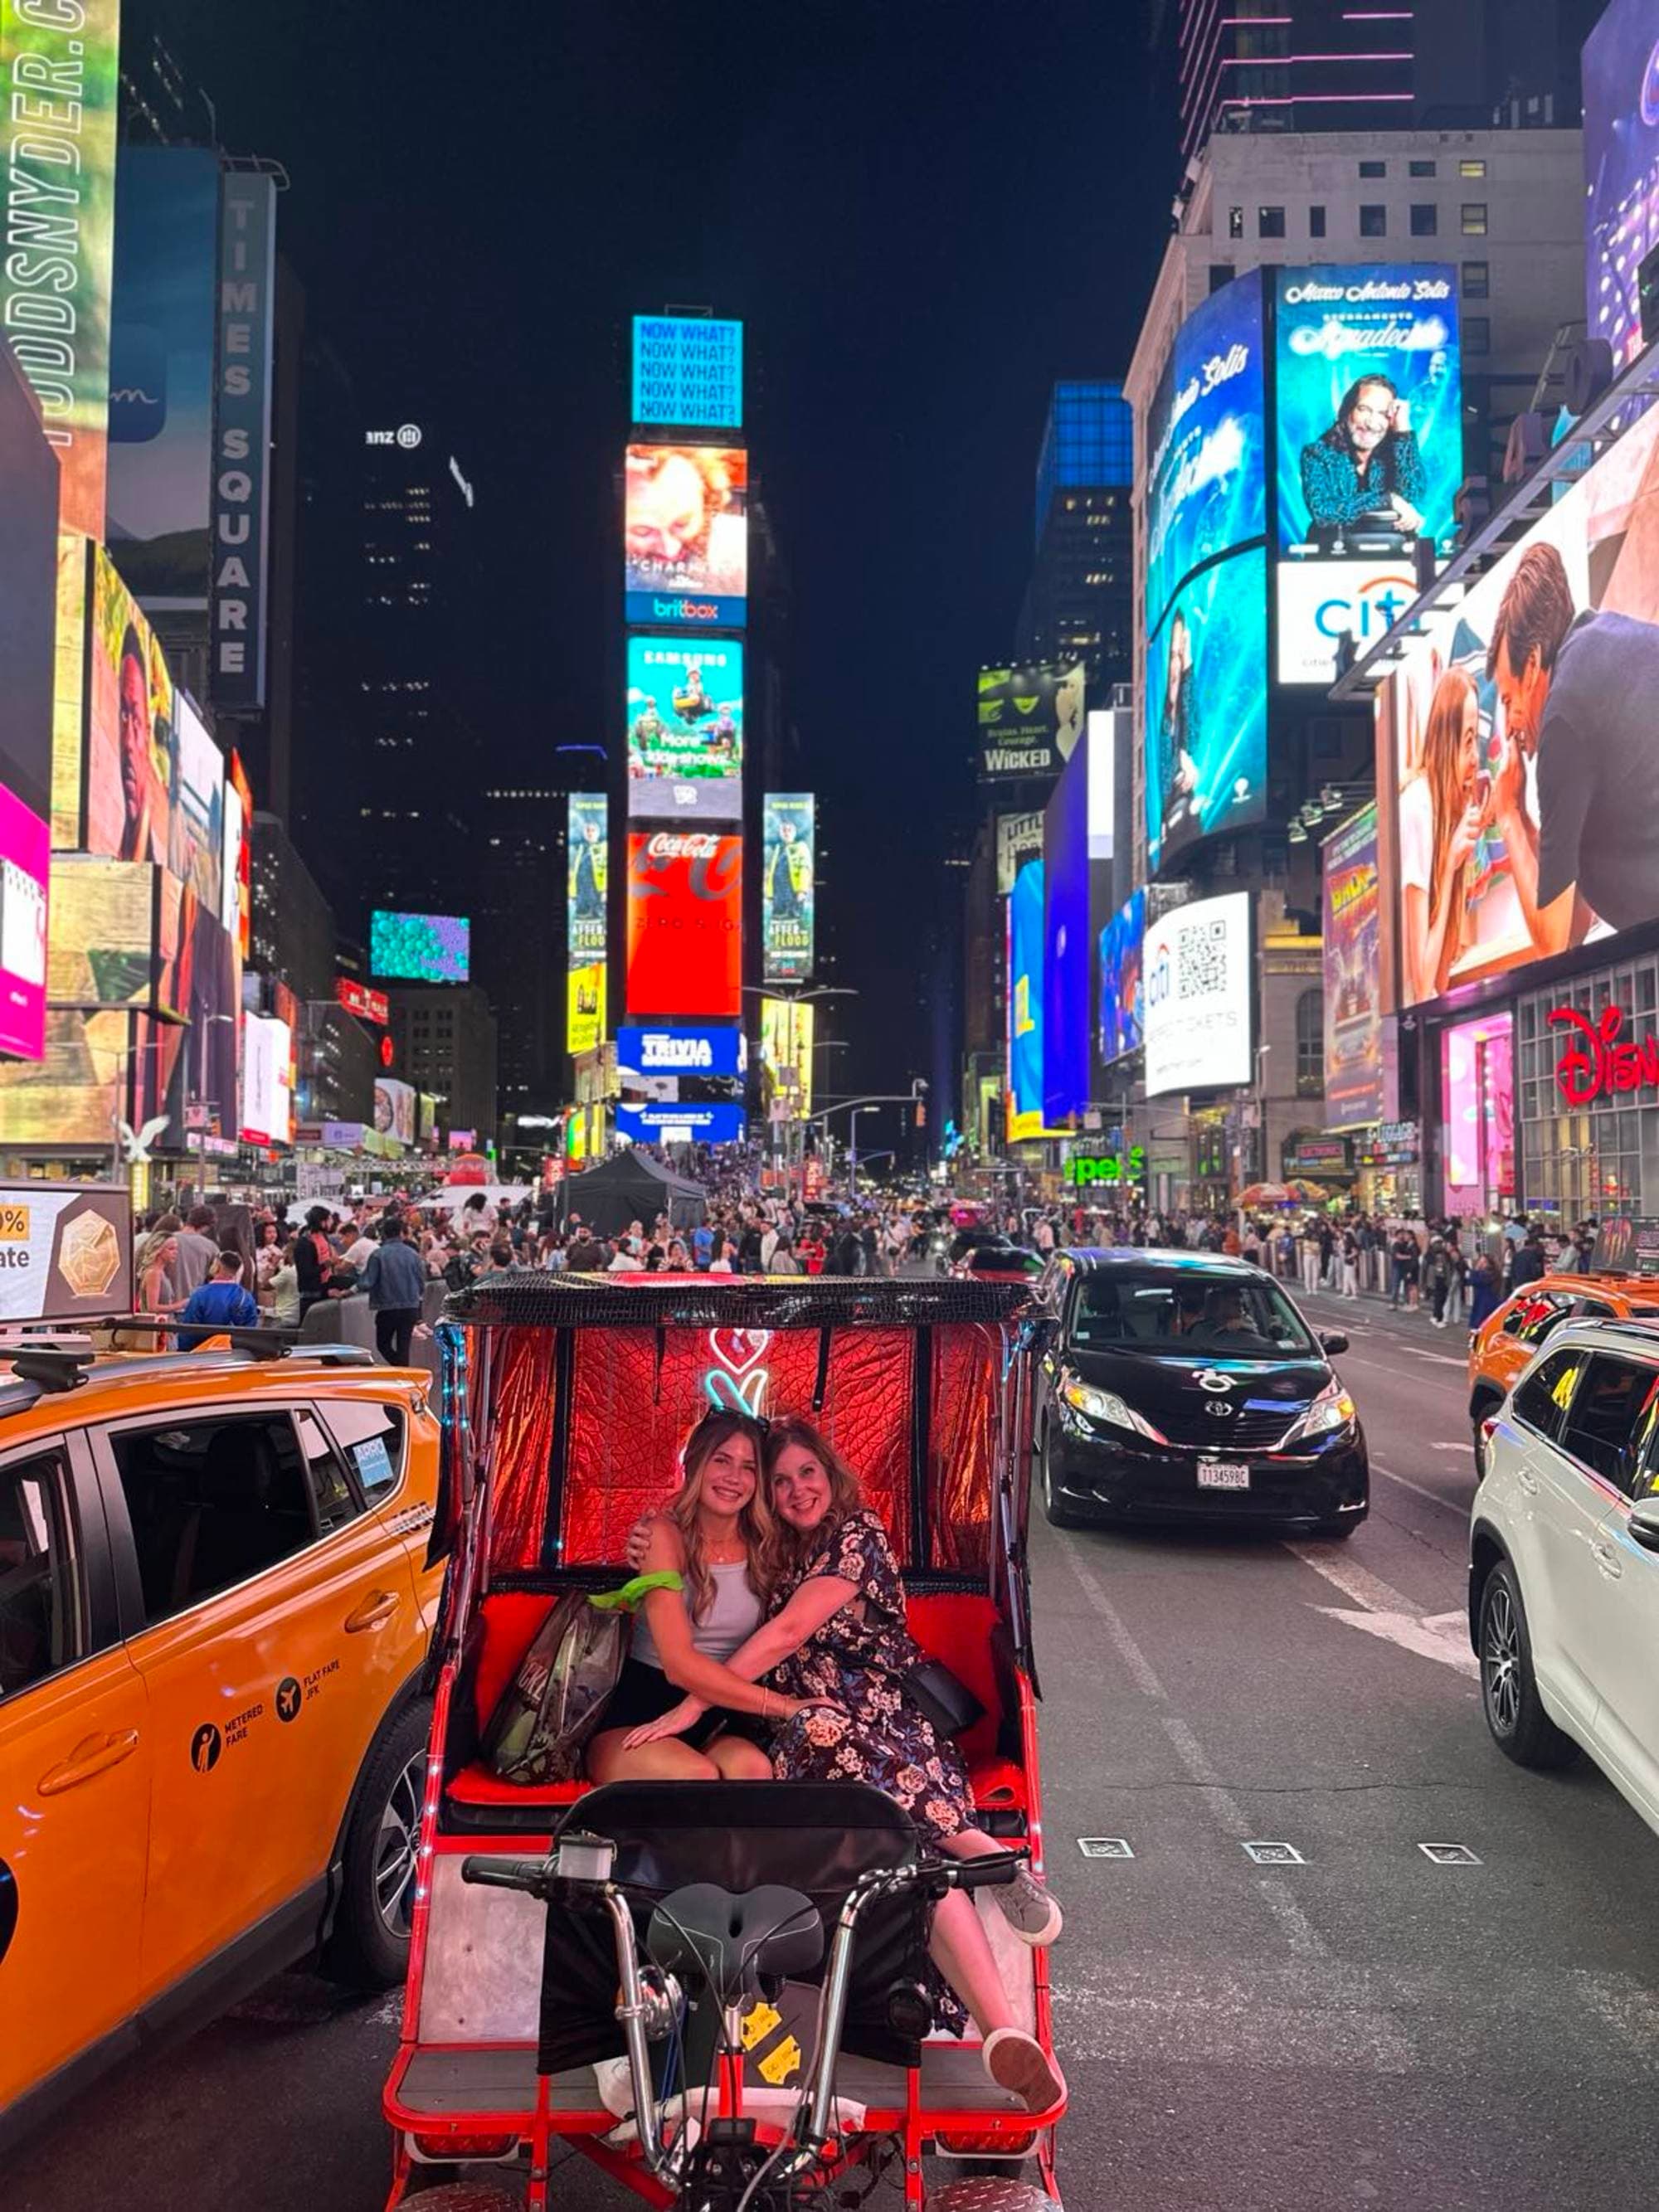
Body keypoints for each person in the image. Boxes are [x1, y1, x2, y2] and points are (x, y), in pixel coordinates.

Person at [625, 1417, 1063, 2115]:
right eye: (781, 1480)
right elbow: (713, 1593)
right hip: (802, 1719)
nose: (796, 1489)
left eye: (808, 1473)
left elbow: (790, 1630)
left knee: (847, 1758)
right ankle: (997, 1975)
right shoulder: (773, 1548)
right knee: (895, 1829)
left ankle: (1002, 2011)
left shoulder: (859, 1532)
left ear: (833, 1475)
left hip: (880, 1717)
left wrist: (708, 1700)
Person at [586, 1412, 815, 1787]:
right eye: (721, 1460)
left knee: (754, 1772)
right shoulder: (662, 1534)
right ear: (694, 1463)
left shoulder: (769, 1545)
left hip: (724, 1717)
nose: (733, 1478)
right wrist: (786, 1708)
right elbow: (678, 1665)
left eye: (748, 1467)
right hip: (645, 1709)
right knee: (696, 1777)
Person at [1486, 539, 1659, 957]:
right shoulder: (1608, 641)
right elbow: (1573, 901)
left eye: (1509, 700)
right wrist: (1527, 819)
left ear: (1532, 666)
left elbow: (1558, 940)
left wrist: (1507, 815)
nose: (1509, 723)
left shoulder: (1563, 718)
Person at [1398, 666, 1484, 1004]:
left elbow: (1442, 977)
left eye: (1476, 739)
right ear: (1447, 742)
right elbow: (1423, 984)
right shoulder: (1419, 805)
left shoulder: (1444, 812)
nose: (1475, 758)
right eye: (1467, 741)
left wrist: (1458, 863)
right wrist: (1449, 866)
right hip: (1403, 1024)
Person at [1299, 375, 1427, 545]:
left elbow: (1413, 492)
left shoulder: (1397, 451)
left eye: (1383, 413)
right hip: (1331, 556)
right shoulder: (1317, 453)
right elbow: (1324, 512)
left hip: (1392, 555)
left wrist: (1403, 430)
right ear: (1347, 412)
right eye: (1364, 409)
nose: (1372, 423)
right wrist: (1388, 500)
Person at [359, 1216, 427, 1367]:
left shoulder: (378, 1254)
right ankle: (404, 1371)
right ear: (401, 1233)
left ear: (383, 1234)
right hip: (410, 1307)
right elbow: (421, 1282)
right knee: (404, 1346)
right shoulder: (413, 1254)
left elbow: (366, 1282)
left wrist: (349, 1288)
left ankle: (401, 1369)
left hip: (387, 1307)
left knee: (383, 1344)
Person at [1159, 610, 1199, 837]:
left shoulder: (1183, 722)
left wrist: (1184, 753)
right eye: (1172, 655)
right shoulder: (1157, 722)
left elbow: (1194, 721)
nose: (1176, 665)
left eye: (1180, 655)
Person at [175, 1251, 260, 1350]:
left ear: (217, 1267)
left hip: (202, 1354)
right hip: (236, 1355)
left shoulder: (200, 1294)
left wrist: (184, 1352)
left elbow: (188, 1330)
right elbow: (250, 1331)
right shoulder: (246, 1297)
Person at [171, 1205, 221, 1302]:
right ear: (207, 1226)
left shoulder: (167, 1240)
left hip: (166, 1304)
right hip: (195, 1303)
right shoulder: (210, 1247)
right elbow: (216, 1277)